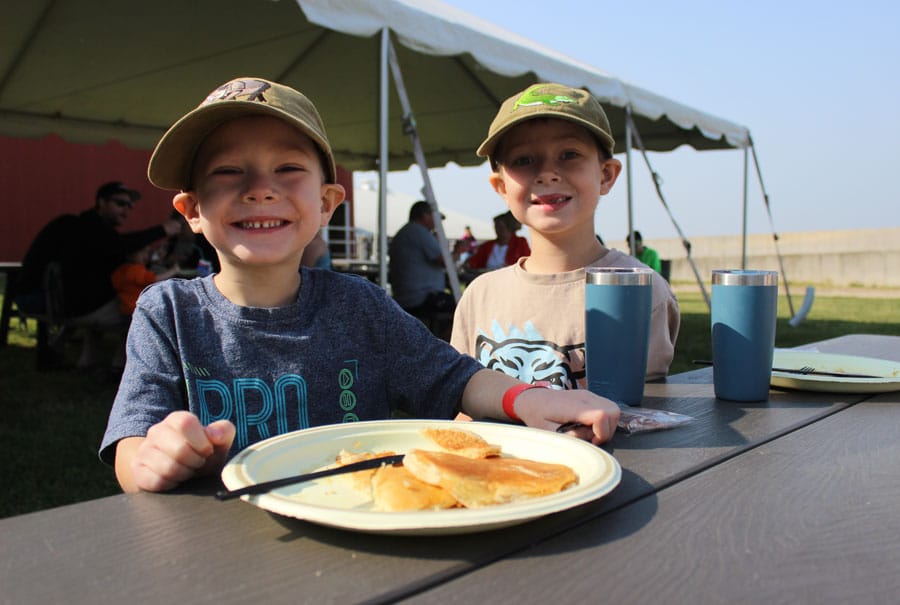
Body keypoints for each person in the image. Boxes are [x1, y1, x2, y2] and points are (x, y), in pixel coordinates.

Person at [99, 76, 619, 493]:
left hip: (363, 528)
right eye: (230, 171)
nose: (260, 190)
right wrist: (151, 459)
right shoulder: (167, 312)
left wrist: (526, 399)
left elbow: (456, 378)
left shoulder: (359, 305)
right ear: (192, 209)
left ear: (327, 203)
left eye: (287, 168)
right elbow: (131, 443)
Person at [451, 82, 680, 391]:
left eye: (569, 154)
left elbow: (646, 408)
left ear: (606, 175)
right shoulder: (479, 296)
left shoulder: (641, 290)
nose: (547, 173)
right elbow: (464, 401)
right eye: (523, 160)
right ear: (502, 187)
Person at [15, 181, 182, 369]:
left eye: (129, 206)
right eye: (120, 203)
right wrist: (162, 230)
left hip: (60, 300)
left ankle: (84, 358)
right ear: (101, 202)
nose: (126, 210)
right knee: (140, 309)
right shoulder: (87, 228)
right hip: (49, 301)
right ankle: (121, 367)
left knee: (107, 300)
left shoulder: (85, 228)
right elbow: (117, 245)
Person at [388, 200, 455, 316]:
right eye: (434, 217)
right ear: (425, 216)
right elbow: (444, 261)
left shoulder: (408, 231)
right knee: (464, 306)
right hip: (420, 297)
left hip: (406, 297)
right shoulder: (419, 232)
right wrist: (459, 250)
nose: (437, 223)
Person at [110, 244, 180, 315]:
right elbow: (154, 279)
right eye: (142, 252)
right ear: (132, 254)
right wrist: (173, 271)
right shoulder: (136, 270)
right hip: (136, 308)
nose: (145, 255)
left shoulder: (122, 269)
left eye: (147, 252)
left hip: (124, 306)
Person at [463, 210, 531, 272]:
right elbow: (473, 262)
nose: (498, 230)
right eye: (496, 227)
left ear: (509, 228)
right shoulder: (486, 246)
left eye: (501, 227)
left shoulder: (520, 243)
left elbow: (527, 262)